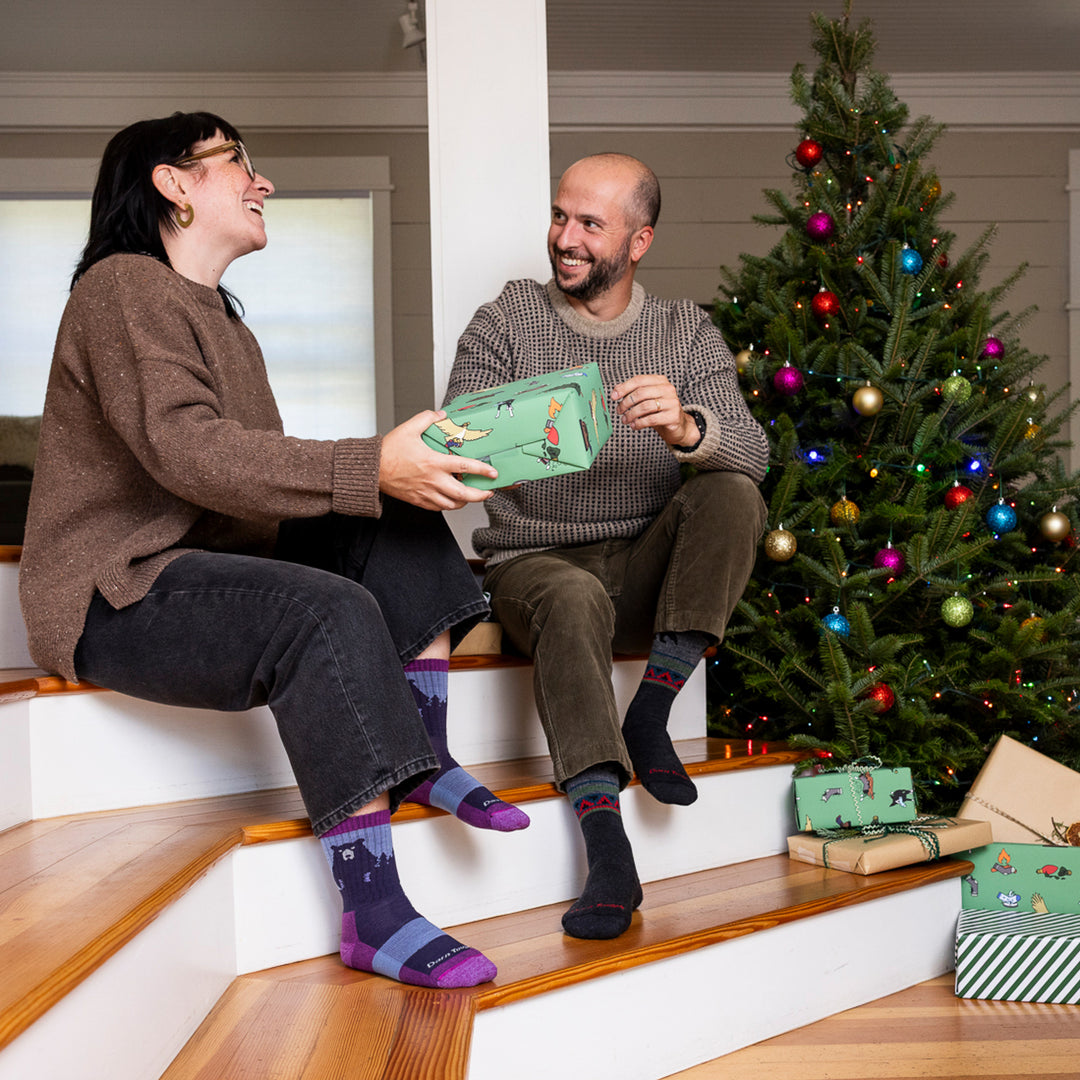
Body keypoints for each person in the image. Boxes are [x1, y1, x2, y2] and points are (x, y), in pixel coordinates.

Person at [18, 111, 530, 990]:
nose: (263, 182)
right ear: (173, 184)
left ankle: (422, 753)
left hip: (203, 557)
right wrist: (371, 461)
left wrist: (388, 477)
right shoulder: (120, 290)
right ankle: (374, 913)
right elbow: (190, 452)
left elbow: (247, 487)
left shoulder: (221, 317)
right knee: (325, 607)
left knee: (395, 518)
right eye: (239, 164)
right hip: (116, 590)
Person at [444, 152, 769, 940]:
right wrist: (552, 420)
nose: (566, 238)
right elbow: (454, 444)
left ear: (639, 240)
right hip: (538, 565)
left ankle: (650, 710)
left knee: (730, 487)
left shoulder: (683, 330)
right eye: (561, 216)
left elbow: (754, 454)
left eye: (591, 223)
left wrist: (687, 428)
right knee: (572, 592)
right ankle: (608, 852)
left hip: (647, 568)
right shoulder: (507, 318)